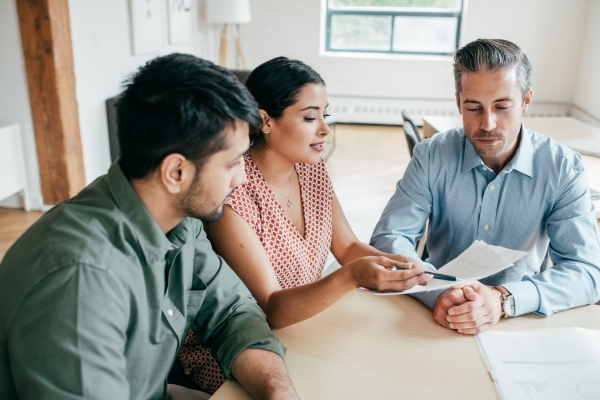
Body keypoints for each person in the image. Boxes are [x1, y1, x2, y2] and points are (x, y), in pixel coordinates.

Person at [0, 54, 299, 400]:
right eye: (232, 163)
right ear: (175, 173)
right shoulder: (80, 279)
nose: (242, 178)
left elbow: (233, 312)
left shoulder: (180, 219)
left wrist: (277, 390)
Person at [178, 56, 432, 392]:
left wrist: (404, 267)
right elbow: (273, 308)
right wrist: (354, 275)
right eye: (310, 117)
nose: (325, 129)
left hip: (306, 329)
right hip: (237, 353)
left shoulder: (311, 169)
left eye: (325, 115)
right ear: (265, 120)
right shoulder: (233, 193)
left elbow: (348, 247)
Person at [370, 39, 600, 335]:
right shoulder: (431, 155)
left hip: (521, 318)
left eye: (502, 106)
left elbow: (588, 272)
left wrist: (503, 299)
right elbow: (389, 238)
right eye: (473, 108)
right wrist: (434, 291)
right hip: (437, 312)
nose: (488, 124)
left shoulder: (563, 168)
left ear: (526, 101)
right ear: (458, 103)